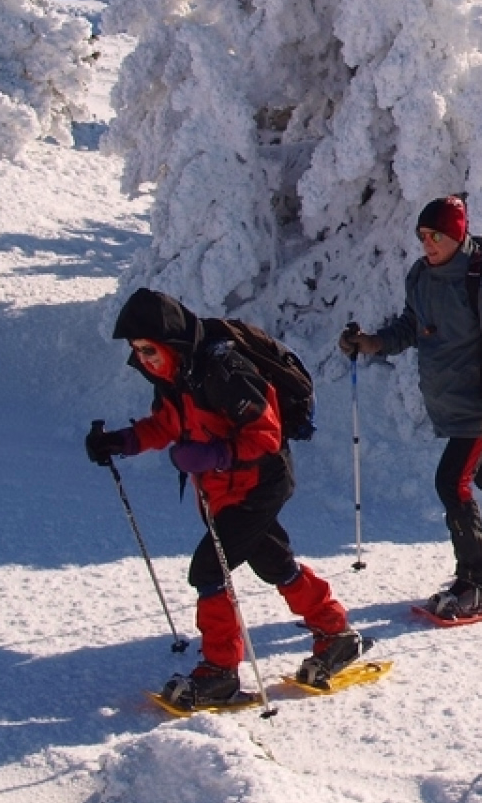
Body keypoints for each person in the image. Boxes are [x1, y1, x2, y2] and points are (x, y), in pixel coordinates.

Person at [86, 289, 362, 708]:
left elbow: (266, 436)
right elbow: (167, 424)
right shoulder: (177, 376)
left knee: (208, 569)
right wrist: (122, 441)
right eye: (138, 351)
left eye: (149, 349)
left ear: (170, 342)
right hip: (223, 490)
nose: (144, 359)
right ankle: (336, 632)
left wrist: (215, 455)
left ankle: (220, 671)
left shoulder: (224, 371)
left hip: (260, 482)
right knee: (273, 561)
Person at [340, 195, 482, 620]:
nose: (427, 243)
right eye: (422, 235)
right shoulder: (421, 276)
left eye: (436, 236)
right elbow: (413, 326)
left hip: (481, 408)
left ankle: (475, 586)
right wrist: (373, 342)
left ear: (457, 235)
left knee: (452, 483)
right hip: (451, 402)